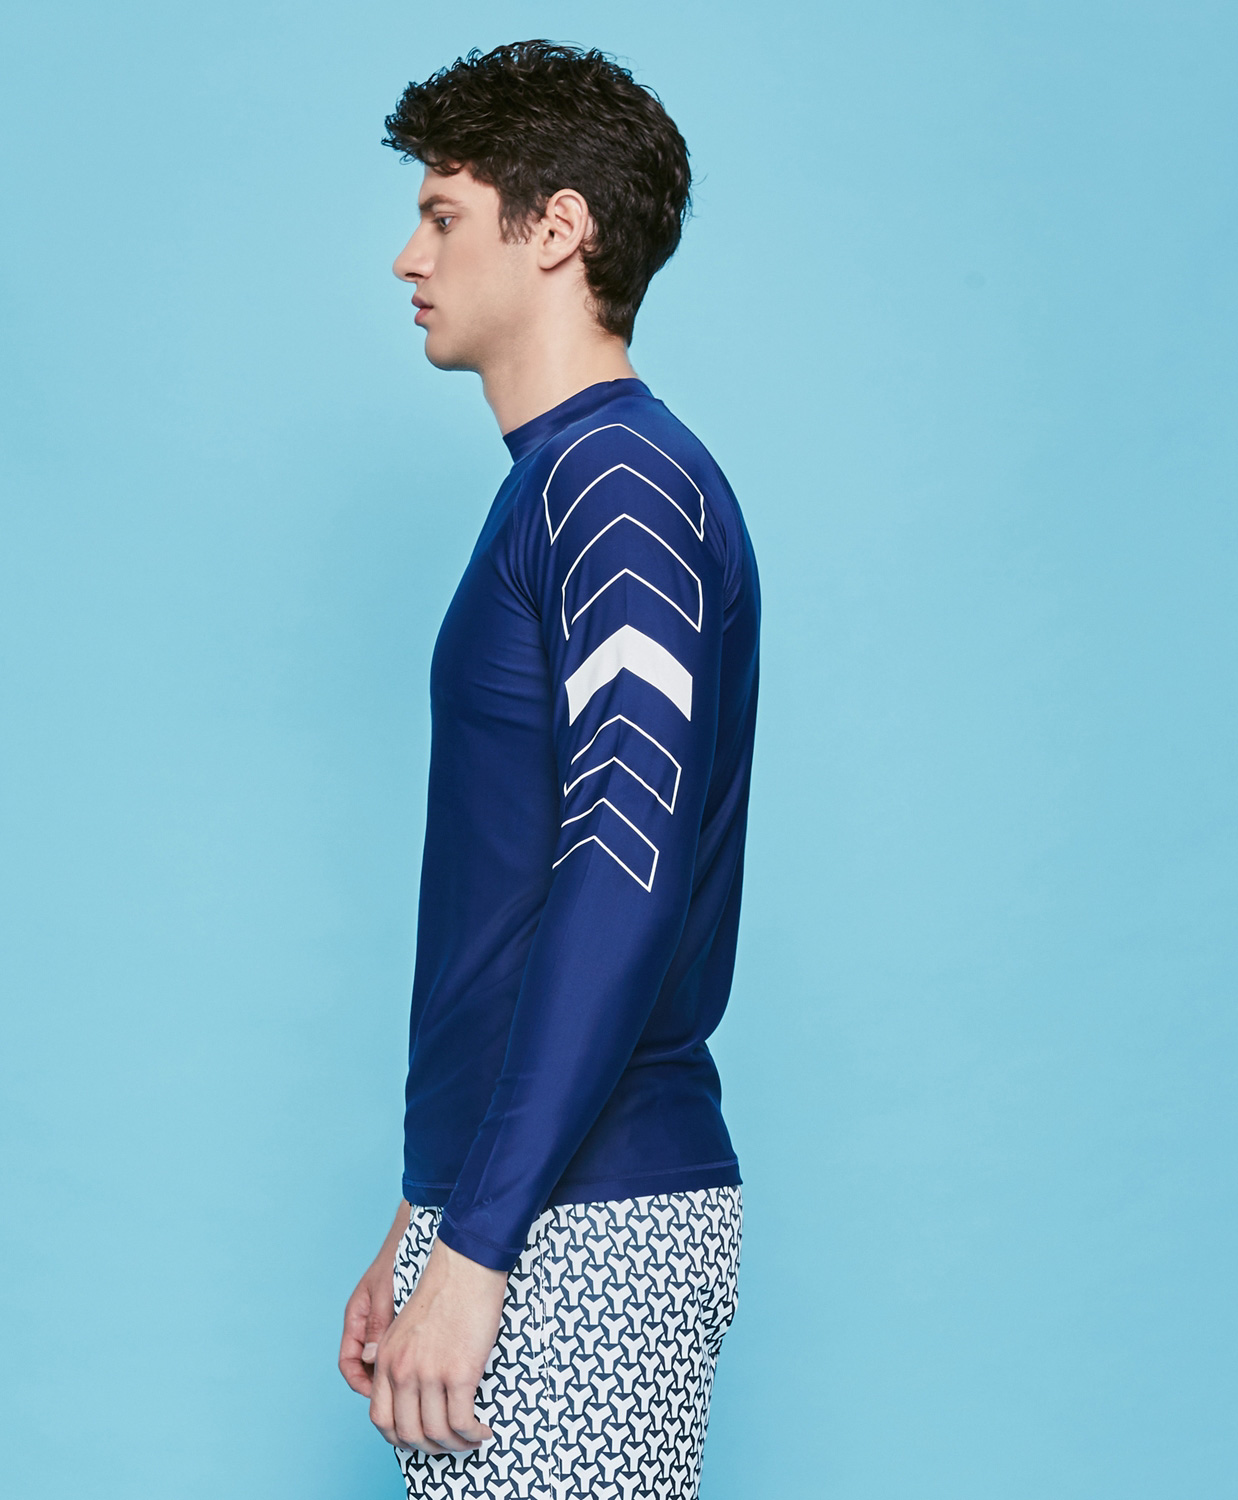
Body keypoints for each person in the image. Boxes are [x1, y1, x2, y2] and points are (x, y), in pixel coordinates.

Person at [338, 40, 760, 1500]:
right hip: (521, 1209)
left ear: (558, 228)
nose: (409, 258)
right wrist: (425, 1207)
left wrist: (476, 1243)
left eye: (443, 214)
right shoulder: (562, 484)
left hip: (585, 1220)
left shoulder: (619, 488)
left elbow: (622, 871)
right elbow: (505, 895)